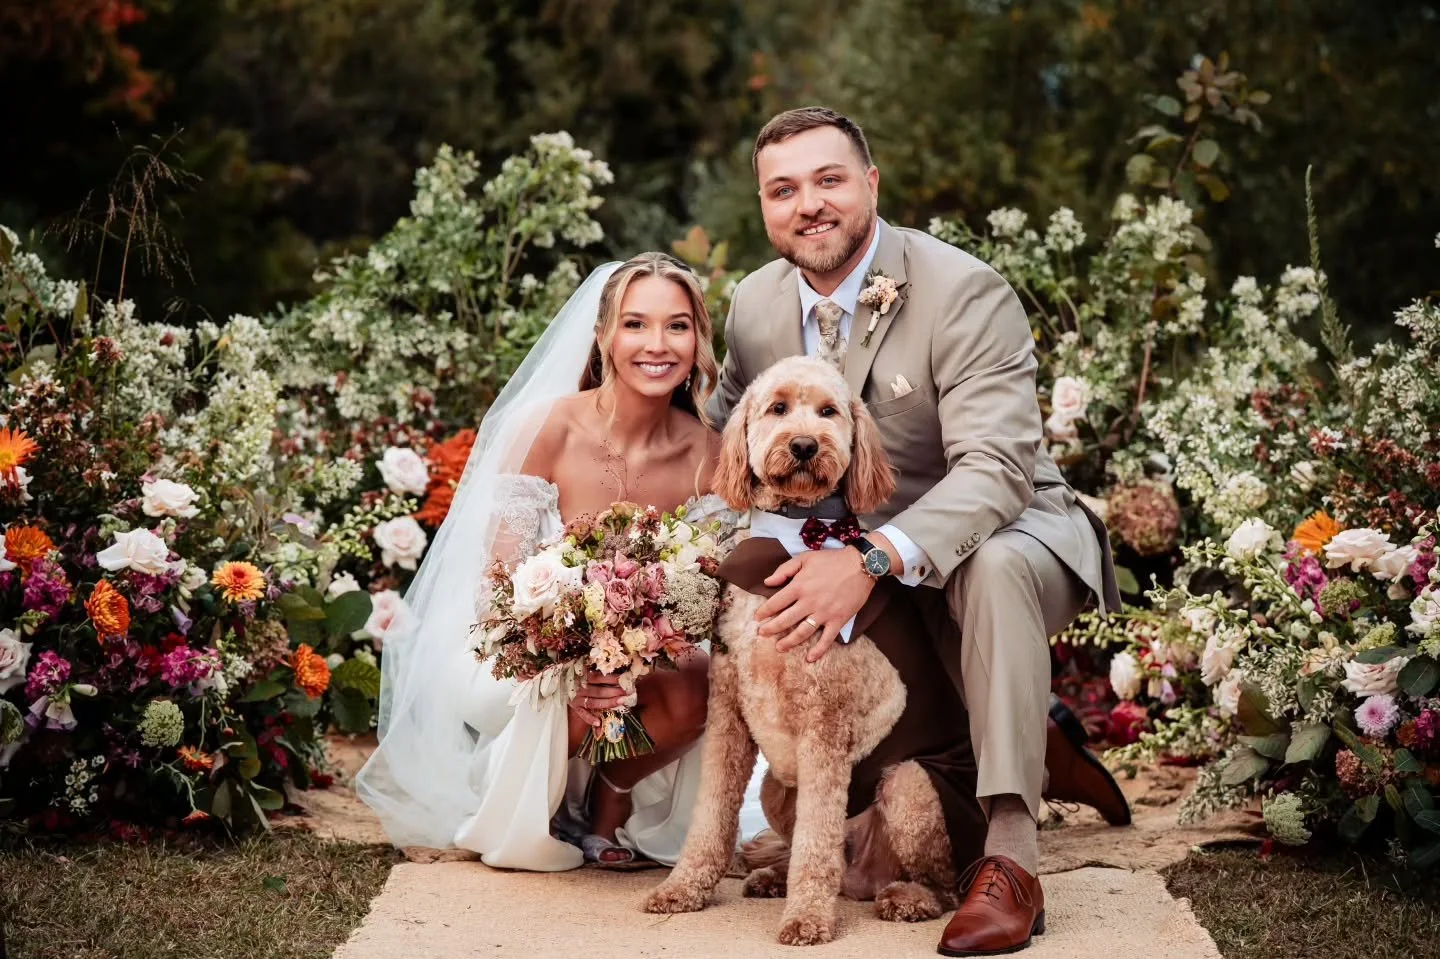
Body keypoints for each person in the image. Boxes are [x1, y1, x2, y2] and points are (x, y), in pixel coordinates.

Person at [707, 107, 1131, 956]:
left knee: (996, 565)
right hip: (843, 547)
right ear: (763, 205)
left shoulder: (961, 289)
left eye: (829, 180)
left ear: (870, 184)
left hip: (1000, 531)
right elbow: (722, 440)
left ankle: (1010, 854)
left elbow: (996, 472)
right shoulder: (754, 303)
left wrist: (869, 559)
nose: (809, 205)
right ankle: (1028, 740)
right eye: (783, 190)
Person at [357, 252, 736, 870]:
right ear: (603, 334)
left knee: (708, 682)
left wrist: (633, 647)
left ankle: (610, 805)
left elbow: (703, 591)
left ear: (699, 339)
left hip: (642, 654)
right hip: (514, 647)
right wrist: (572, 663)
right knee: (562, 696)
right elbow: (500, 584)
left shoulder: (707, 455)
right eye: (635, 324)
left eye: (678, 325)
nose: (656, 344)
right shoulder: (547, 429)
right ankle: (540, 804)